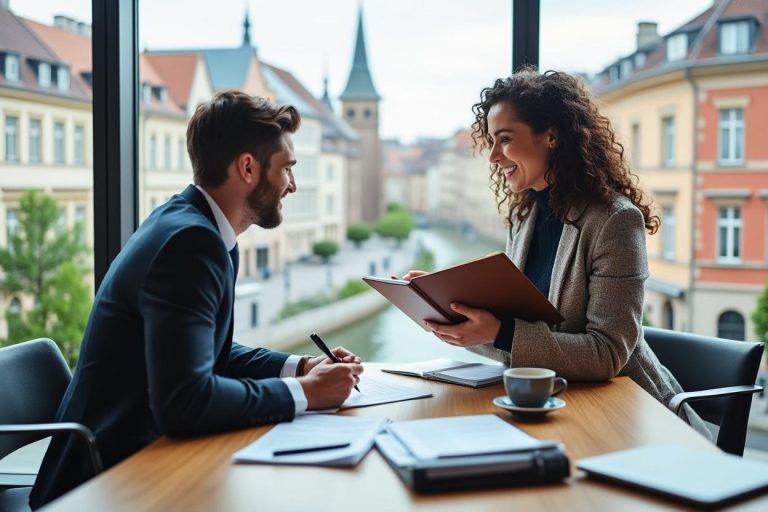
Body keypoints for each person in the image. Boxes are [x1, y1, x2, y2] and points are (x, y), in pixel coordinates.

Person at [30, 91, 364, 508]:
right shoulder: (191, 243)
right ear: (247, 167)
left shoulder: (200, 228)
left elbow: (207, 352)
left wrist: (298, 366)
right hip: (107, 481)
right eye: (287, 170)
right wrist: (306, 393)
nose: (292, 185)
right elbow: (185, 404)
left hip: (143, 461)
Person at [403, 68, 709, 437]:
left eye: (505, 139)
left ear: (550, 136)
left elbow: (607, 354)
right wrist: (450, 312)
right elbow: (522, 341)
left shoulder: (615, 221)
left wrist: (498, 332)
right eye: (491, 142)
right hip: (547, 407)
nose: (494, 157)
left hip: (628, 418)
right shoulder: (524, 215)